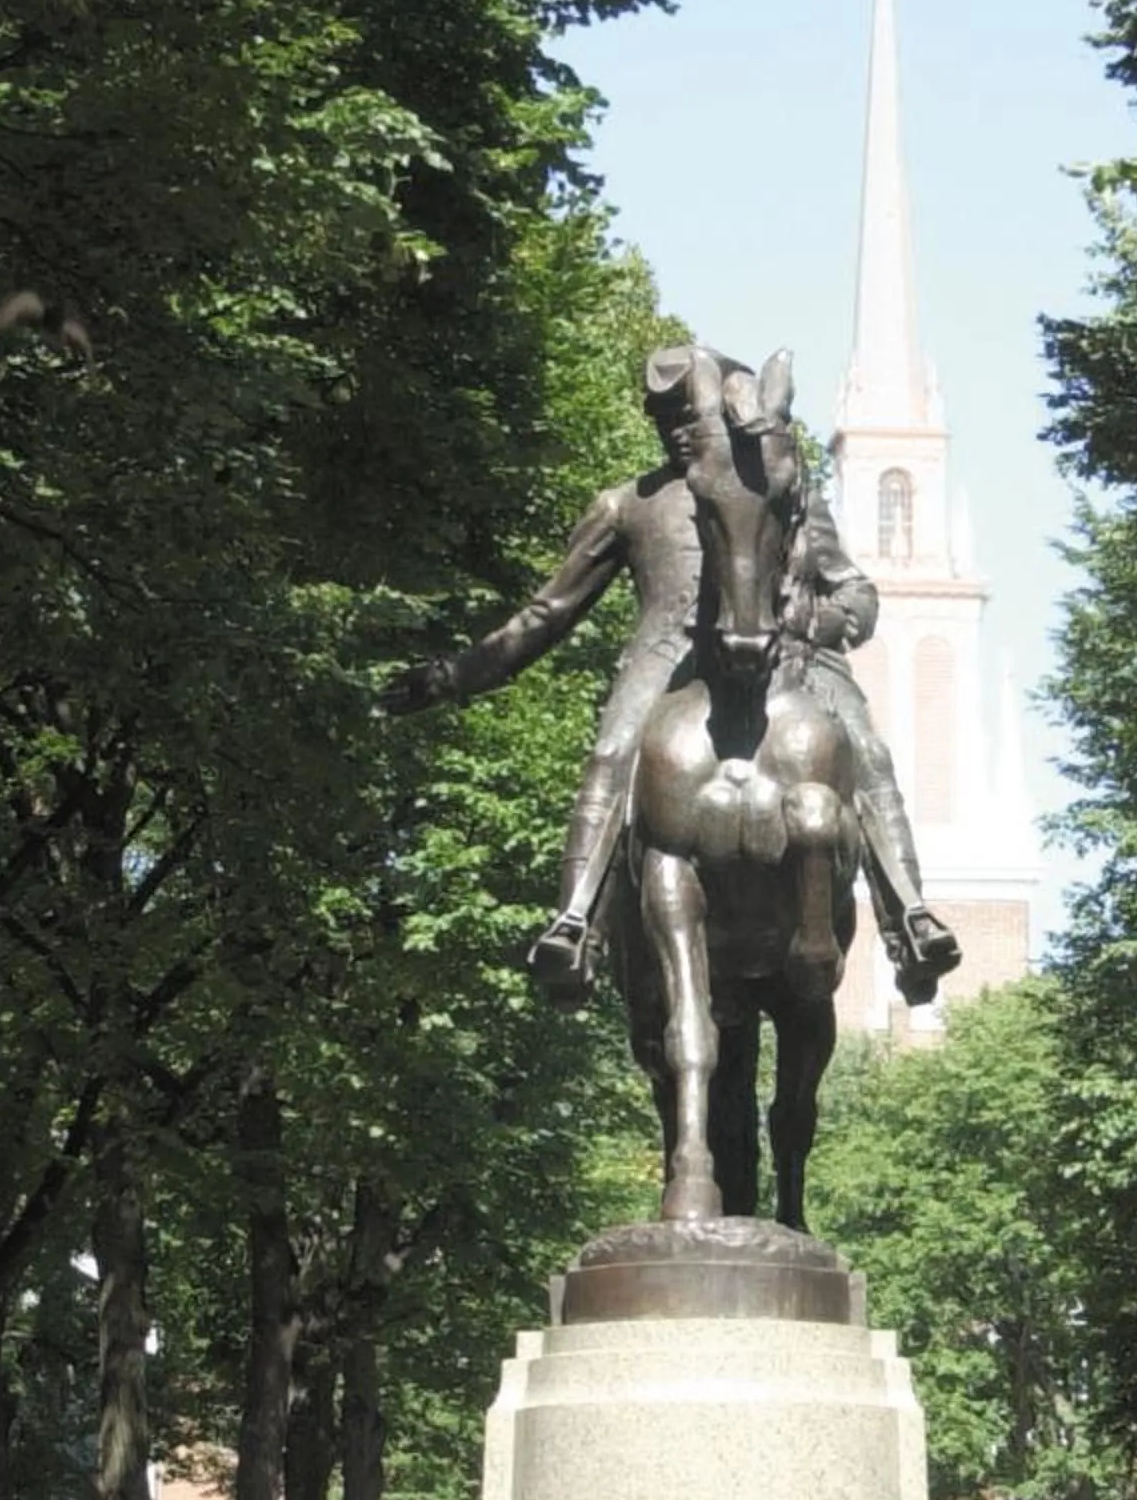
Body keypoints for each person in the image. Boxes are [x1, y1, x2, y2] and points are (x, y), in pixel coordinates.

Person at [396, 344, 960, 1008]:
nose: (676, 428)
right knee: (611, 754)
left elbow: (854, 590)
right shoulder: (626, 505)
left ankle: (910, 922)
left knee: (867, 751)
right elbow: (549, 612)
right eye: (663, 417)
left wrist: (821, 623)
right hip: (664, 658)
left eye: (684, 411)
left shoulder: (775, 483)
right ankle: (577, 925)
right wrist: (453, 676)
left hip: (787, 652)